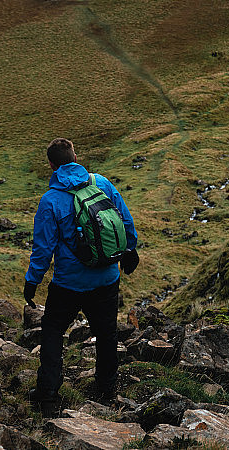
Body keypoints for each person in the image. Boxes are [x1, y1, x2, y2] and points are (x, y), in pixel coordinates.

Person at [24, 138, 139, 416]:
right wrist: (130, 250)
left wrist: (32, 281)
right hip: (107, 278)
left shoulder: (50, 200)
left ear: (51, 164)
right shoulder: (101, 183)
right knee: (106, 334)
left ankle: (48, 395)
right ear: (76, 156)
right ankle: (106, 389)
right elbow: (125, 220)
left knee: (53, 331)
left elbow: (43, 248)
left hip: (69, 284)